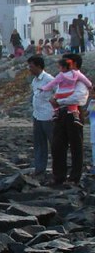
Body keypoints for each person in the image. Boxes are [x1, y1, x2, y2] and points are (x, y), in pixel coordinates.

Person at [48, 54, 91, 185]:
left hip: (74, 112)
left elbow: (78, 98)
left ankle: (74, 177)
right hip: (61, 113)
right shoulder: (64, 79)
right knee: (57, 145)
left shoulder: (80, 80)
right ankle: (59, 176)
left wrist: (59, 101)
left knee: (76, 145)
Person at [26, 55, 55, 182]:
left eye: (31, 66)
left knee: (54, 144)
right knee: (39, 144)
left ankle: (58, 170)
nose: (29, 69)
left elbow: (58, 92)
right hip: (37, 115)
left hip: (49, 116)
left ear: (38, 66)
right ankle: (39, 169)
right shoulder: (35, 81)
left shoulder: (49, 79)